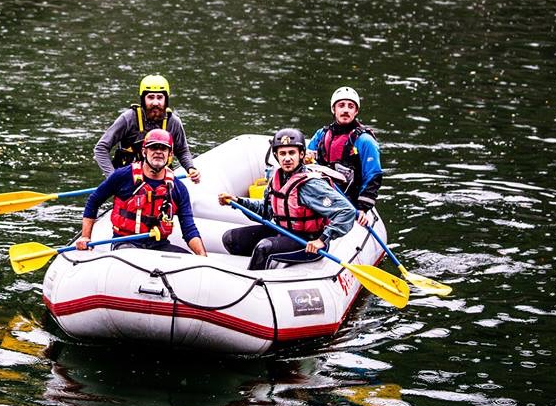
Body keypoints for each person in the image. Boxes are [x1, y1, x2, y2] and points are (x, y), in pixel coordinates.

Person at [218, 128, 355, 271]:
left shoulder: (311, 184)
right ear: (276, 155)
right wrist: (238, 201)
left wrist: (322, 239)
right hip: (283, 232)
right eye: (282, 153)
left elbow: (347, 211)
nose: (287, 158)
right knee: (231, 239)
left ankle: (254, 279)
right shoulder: (277, 179)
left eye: (292, 153)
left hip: (308, 242)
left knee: (264, 248)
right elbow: (267, 210)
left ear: (301, 154)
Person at [77, 129, 207, 256]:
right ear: (144, 151)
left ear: (170, 154)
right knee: (132, 257)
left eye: (163, 148)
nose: (158, 152)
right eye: (153, 147)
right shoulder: (122, 176)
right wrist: (85, 237)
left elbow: (189, 229)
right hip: (125, 242)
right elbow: (94, 201)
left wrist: (202, 257)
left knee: (189, 259)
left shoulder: (178, 188)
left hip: (158, 245)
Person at [93, 74, 201, 183]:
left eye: (160, 97)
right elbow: (101, 148)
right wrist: (112, 178)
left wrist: (190, 168)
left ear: (166, 100)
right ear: (143, 99)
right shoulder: (128, 118)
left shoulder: (173, 122)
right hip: (128, 181)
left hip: (160, 180)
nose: (155, 103)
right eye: (150, 97)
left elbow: (182, 150)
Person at [307, 87, 382, 226]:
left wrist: (362, 208)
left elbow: (373, 176)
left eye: (350, 106)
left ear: (356, 111)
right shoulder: (321, 135)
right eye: (341, 105)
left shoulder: (365, 141)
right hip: (323, 196)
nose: (346, 110)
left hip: (349, 201)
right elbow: (306, 162)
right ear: (333, 109)